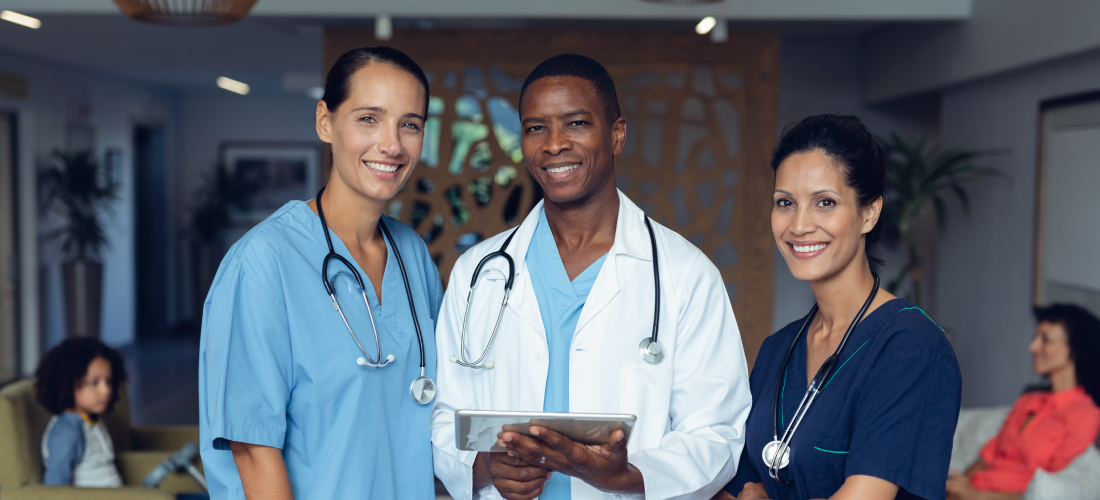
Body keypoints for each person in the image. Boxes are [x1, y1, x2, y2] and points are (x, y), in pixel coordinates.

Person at [430, 53, 751, 500]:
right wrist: (483, 467)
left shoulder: (685, 274)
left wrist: (625, 475)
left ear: (617, 134)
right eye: (535, 127)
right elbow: (443, 416)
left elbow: (717, 433)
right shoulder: (477, 273)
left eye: (576, 123)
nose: (554, 144)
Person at [198, 46, 442, 499]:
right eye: (369, 118)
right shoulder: (264, 262)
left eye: (409, 124)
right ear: (325, 121)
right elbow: (253, 450)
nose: (391, 144)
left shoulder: (411, 255)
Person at [720, 114, 962, 500]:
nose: (798, 225)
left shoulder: (911, 349)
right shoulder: (777, 350)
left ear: (869, 212)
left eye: (824, 202)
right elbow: (729, 484)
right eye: (785, 203)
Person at [945, 304, 1100, 500]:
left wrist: (974, 495)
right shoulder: (1028, 401)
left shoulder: (1084, 414)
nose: (1032, 347)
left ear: (1076, 348)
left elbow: (1049, 490)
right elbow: (988, 457)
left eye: (1045, 339)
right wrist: (958, 487)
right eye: (1035, 338)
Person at [35, 337, 128, 487]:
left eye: (108, 381)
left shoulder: (93, 420)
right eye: (94, 382)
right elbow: (54, 488)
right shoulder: (67, 432)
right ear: (67, 384)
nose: (106, 391)